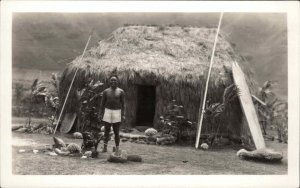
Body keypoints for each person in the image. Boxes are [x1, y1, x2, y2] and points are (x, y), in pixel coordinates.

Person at [99, 75, 125, 154]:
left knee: (116, 131)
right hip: (107, 111)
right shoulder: (106, 91)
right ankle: (105, 147)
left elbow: (123, 104)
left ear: (117, 82)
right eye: (112, 80)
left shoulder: (121, 91)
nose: (113, 82)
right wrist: (100, 113)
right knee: (106, 130)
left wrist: (123, 114)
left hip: (117, 112)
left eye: (115, 80)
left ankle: (117, 148)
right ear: (109, 82)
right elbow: (102, 103)